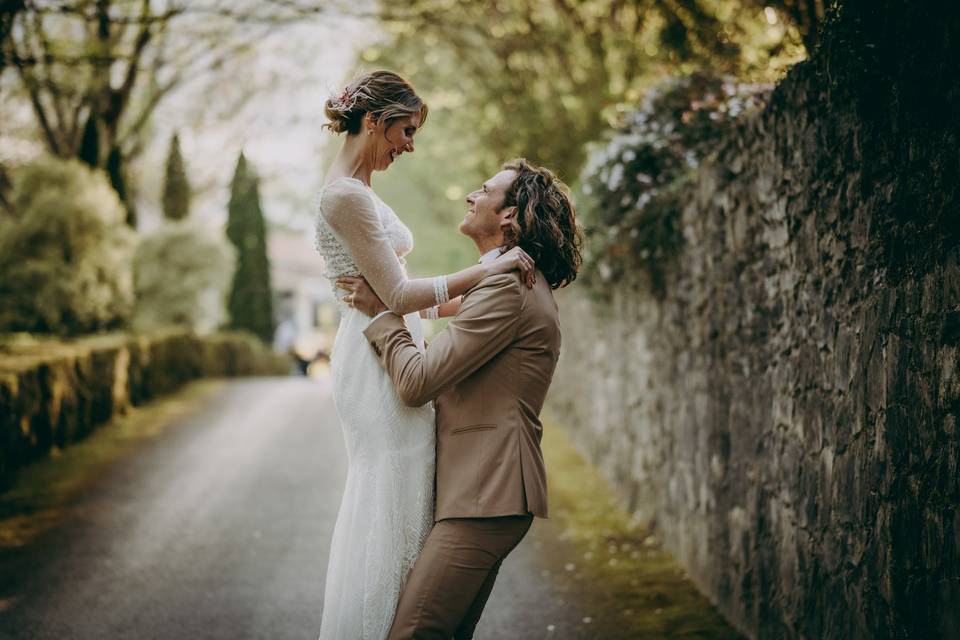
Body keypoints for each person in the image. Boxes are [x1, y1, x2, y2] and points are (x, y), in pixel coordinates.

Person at [313, 70, 535, 640]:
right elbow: (401, 297)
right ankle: (387, 622)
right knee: (392, 479)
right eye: (404, 131)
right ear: (373, 121)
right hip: (373, 359)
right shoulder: (343, 196)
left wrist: (489, 307)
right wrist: (487, 269)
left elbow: (413, 306)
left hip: (384, 334)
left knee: (411, 478)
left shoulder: (361, 192)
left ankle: (411, 610)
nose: (409, 146)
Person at [340, 158, 583, 639]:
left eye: (485, 190)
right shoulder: (502, 281)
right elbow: (449, 357)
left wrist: (379, 316)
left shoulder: (508, 288)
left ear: (510, 216)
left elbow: (417, 383)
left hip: (486, 493)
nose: (472, 196)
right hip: (482, 491)